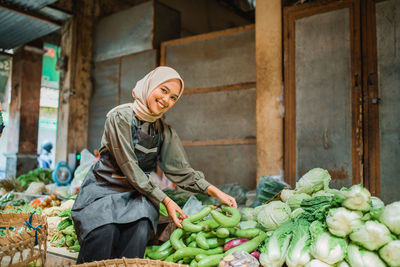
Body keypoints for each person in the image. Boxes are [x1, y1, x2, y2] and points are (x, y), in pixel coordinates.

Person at [71, 66, 237, 264]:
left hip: (136, 196)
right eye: (163, 90)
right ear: (149, 86)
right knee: (105, 230)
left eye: (174, 97)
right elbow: (129, 166)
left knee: (141, 227)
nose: (166, 100)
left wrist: (214, 191)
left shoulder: (163, 131)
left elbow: (181, 171)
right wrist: (166, 200)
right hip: (103, 191)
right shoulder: (120, 118)